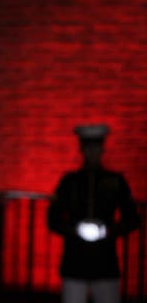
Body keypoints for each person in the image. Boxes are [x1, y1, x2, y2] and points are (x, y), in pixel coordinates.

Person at [48, 124, 140, 303]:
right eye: (88, 147)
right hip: (75, 262)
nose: (92, 152)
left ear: (102, 149)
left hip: (105, 263)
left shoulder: (116, 182)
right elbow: (53, 219)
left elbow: (133, 219)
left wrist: (107, 230)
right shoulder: (69, 182)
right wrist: (75, 230)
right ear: (82, 149)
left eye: (96, 147)